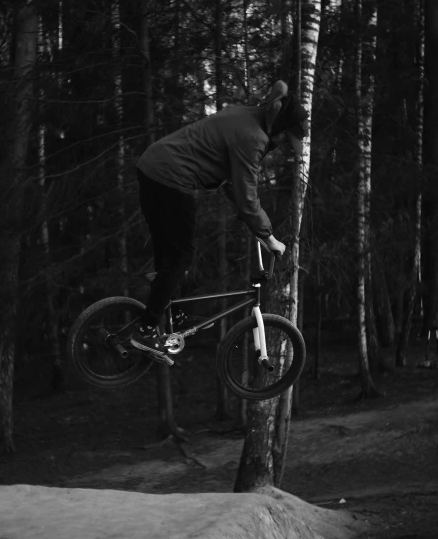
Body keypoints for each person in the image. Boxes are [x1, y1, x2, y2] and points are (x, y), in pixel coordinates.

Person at [131, 80, 309, 360]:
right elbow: (247, 194)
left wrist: (249, 219)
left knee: (171, 256)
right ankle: (146, 332)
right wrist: (269, 237)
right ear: (280, 128)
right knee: (180, 256)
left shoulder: (246, 116)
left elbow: (231, 181)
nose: (285, 146)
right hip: (171, 178)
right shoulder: (253, 137)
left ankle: (171, 310)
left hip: (152, 168)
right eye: (287, 139)